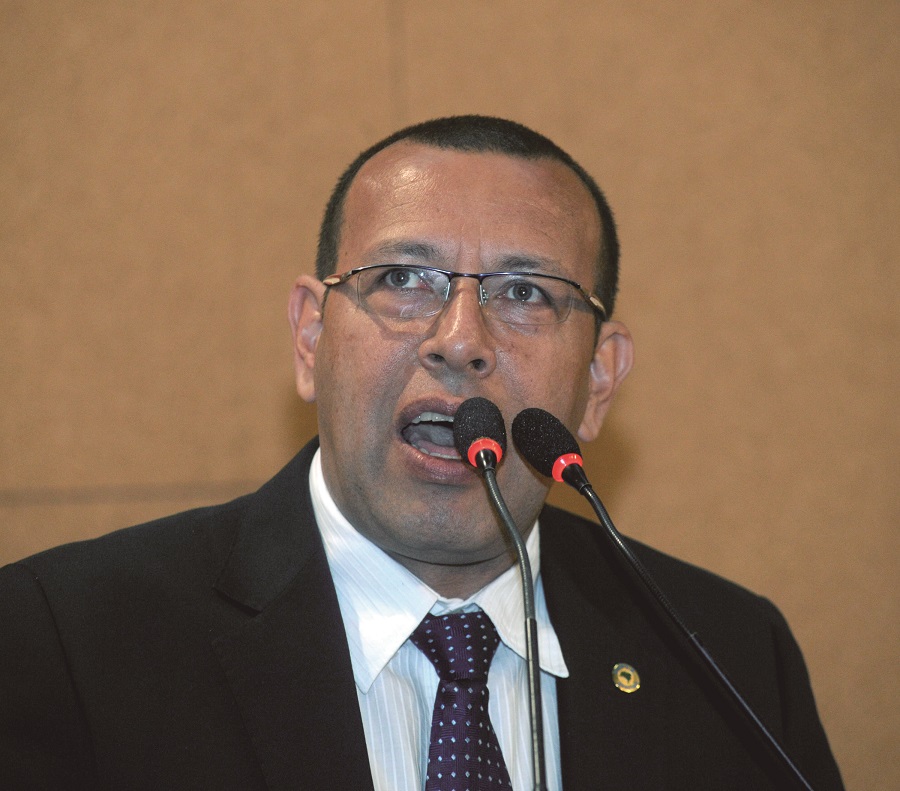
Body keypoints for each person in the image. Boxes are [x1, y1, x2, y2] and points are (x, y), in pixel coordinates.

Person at [0, 116, 843, 790]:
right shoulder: (62, 643)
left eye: (525, 292)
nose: (460, 339)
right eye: (404, 279)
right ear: (310, 337)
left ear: (598, 379)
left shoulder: (731, 660)